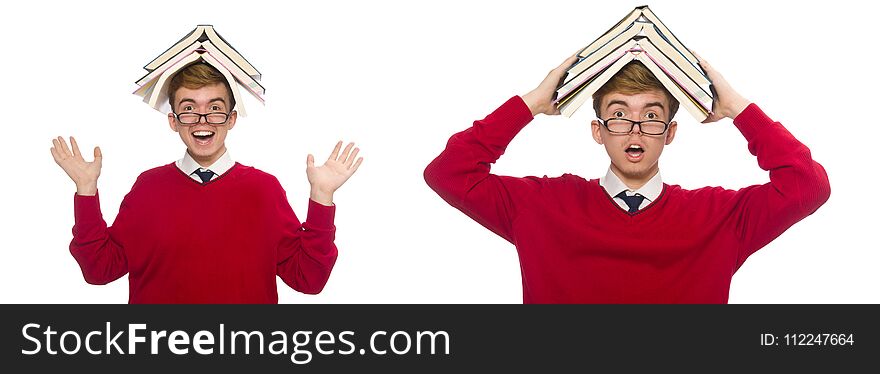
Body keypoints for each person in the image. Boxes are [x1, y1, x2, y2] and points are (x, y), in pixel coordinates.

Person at [423, 54, 830, 303]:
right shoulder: (541, 204)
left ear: (670, 133)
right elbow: (449, 173)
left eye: (652, 116)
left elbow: (807, 186)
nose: (635, 129)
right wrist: (529, 103)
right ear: (598, 131)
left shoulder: (721, 217)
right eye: (618, 114)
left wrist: (738, 108)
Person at [50, 63, 363, 303]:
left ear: (231, 119)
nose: (202, 119)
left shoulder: (263, 190)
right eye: (189, 109)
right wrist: (86, 190)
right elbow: (100, 270)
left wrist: (322, 196)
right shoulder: (148, 188)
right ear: (173, 122)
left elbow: (308, 279)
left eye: (214, 108)